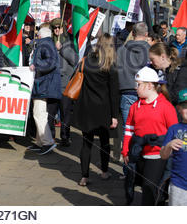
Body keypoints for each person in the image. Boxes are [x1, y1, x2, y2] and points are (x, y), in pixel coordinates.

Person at [122, 66, 178, 205]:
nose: (135, 88)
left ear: (149, 86)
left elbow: (175, 132)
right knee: (139, 184)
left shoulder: (166, 107)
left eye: (138, 84)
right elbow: (129, 130)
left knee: (149, 186)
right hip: (139, 153)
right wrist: (125, 151)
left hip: (158, 154)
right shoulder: (135, 106)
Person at [72, 34, 119, 186]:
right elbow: (114, 93)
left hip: (87, 107)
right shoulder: (110, 66)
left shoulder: (87, 60)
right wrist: (114, 115)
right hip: (103, 109)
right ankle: (104, 171)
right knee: (104, 142)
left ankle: (84, 176)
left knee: (87, 143)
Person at [27, 26, 60, 155]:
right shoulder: (47, 44)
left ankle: (47, 142)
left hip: (43, 85)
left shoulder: (45, 44)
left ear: (40, 36)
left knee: (39, 113)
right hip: (43, 84)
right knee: (39, 112)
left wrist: (36, 66)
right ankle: (40, 142)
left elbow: (51, 62)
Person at [117, 22, 150, 138]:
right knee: (144, 128)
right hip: (145, 93)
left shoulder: (121, 50)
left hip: (126, 91)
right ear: (146, 34)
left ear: (133, 33)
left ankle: (126, 153)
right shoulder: (150, 51)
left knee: (128, 127)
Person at [52, 21, 78, 147]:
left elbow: (74, 60)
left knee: (65, 113)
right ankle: (49, 137)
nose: (57, 30)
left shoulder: (69, 42)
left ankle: (64, 136)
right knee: (51, 112)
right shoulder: (51, 42)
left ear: (63, 28)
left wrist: (61, 48)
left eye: (59, 27)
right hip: (52, 83)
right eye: (55, 28)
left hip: (65, 84)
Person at [160, 88, 187, 206]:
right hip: (178, 184)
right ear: (179, 108)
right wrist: (169, 145)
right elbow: (163, 155)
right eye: (185, 106)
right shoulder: (174, 129)